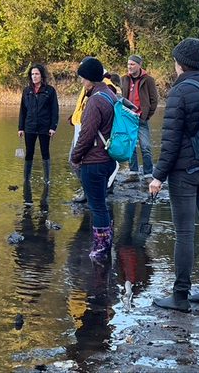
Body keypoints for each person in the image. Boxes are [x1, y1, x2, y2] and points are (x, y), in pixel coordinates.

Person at [149, 38, 199, 312]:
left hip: (185, 172)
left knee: (184, 233)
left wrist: (158, 176)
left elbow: (170, 142)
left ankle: (180, 295)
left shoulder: (179, 92)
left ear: (180, 63)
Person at [70, 57, 117, 263]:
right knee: (102, 205)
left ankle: (101, 248)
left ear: (90, 78)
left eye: (83, 78)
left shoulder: (95, 100)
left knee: (97, 207)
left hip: (94, 162)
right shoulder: (110, 95)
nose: (82, 82)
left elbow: (86, 134)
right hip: (108, 159)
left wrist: (75, 156)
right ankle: (107, 243)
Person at [18, 63, 59, 190]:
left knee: (45, 152)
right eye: (32, 74)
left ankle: (47, 180)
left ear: (41, 75)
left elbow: (54, 110)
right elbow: (22, 110)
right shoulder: (27, 91)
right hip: (29, 126)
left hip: (44, 127)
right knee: (29, 153)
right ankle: (26, 180)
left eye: (36, 74)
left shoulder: (50, 91)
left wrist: (53, 127)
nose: (34, 76)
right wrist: (20, 127)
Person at [121, 55, 159, 178]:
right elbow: (123, 97)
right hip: (128, 117)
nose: (129, 67)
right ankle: (134, 172)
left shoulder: (148, 80)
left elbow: (154, 100)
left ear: (139, 65)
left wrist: (147, 115)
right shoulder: (124, 79)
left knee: (146, 146)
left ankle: (148, 173)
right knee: (130, 145)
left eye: (132, 64)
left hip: (142, 117)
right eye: (128, 64)